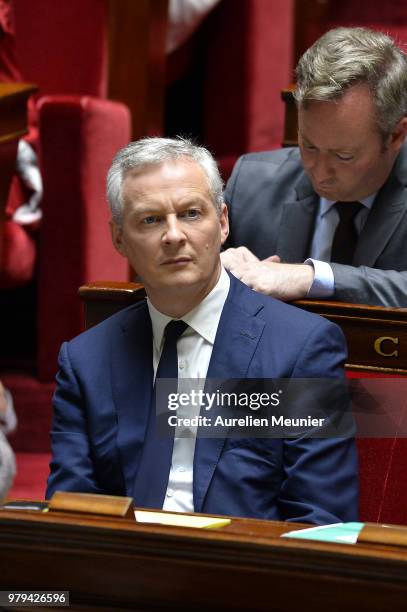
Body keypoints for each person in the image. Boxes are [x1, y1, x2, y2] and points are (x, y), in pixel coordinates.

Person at [46, 137, 358, 524]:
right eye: (151, 219)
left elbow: (320, 520)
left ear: (223, 222)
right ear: (119, 238)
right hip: (121, 573)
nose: (174, 235)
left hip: (245, 572)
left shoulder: (299, 350)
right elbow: (70, 514)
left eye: (191, 214)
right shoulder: (85, 361)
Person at [222, 27, 407, 307]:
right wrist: (207, 273)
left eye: (343, 156)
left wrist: (311, 277)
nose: (319, 172)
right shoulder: (250, 185)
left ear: (395, 136)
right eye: (308, 146)